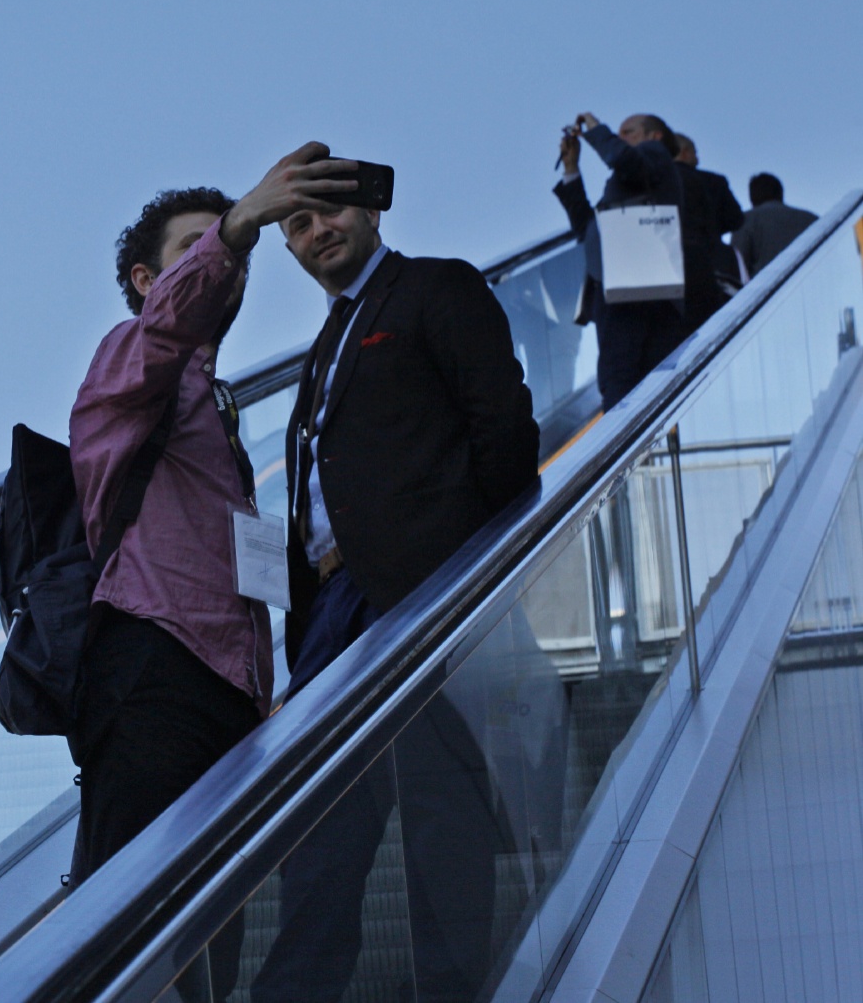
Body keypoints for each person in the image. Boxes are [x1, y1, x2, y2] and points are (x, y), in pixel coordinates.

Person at [67, 145, 359, 997]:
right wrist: (234, 228)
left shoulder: (215, 403)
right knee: (134, 937)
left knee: (207, 949)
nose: (225, 270)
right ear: (142, 278)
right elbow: (169, 328)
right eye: (193, 252)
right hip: (153, 664)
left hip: (228, 694)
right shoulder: (129, 357)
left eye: (230, 257)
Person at [249, 183, 538, 1003]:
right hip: (332, 614)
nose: (316, 231)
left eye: (330, 212)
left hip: (421, 590)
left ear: (372, 214)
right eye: (298, 225)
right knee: (319, 828)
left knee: (441, 807)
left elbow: (504, 426)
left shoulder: (435, 288)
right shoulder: (325, 344)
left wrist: (465, 563)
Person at [555, 113, 692, 409]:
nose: (619, 139)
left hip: (634, 288)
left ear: (654, 136)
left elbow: (624, 160)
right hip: (627, 284)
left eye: (627, 132)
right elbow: (587, 228)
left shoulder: (652, 154)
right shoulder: (634, 180)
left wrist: (595, 128)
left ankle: (623, 454)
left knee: (620, 379)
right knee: (630, 379)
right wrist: (571, 168)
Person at [672, 132, 747, 294]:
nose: (697, 158)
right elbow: (736, 220)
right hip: (712, 262)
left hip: (667, 265)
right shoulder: (714, 181)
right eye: (695, 152)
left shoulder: (651, 182)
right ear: (685, 152)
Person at [734, 172, 819, 274]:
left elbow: (737, 266)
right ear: (780, 193)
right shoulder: (812, 219)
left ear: (752, 197)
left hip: (767, 287)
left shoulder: (745, 220)